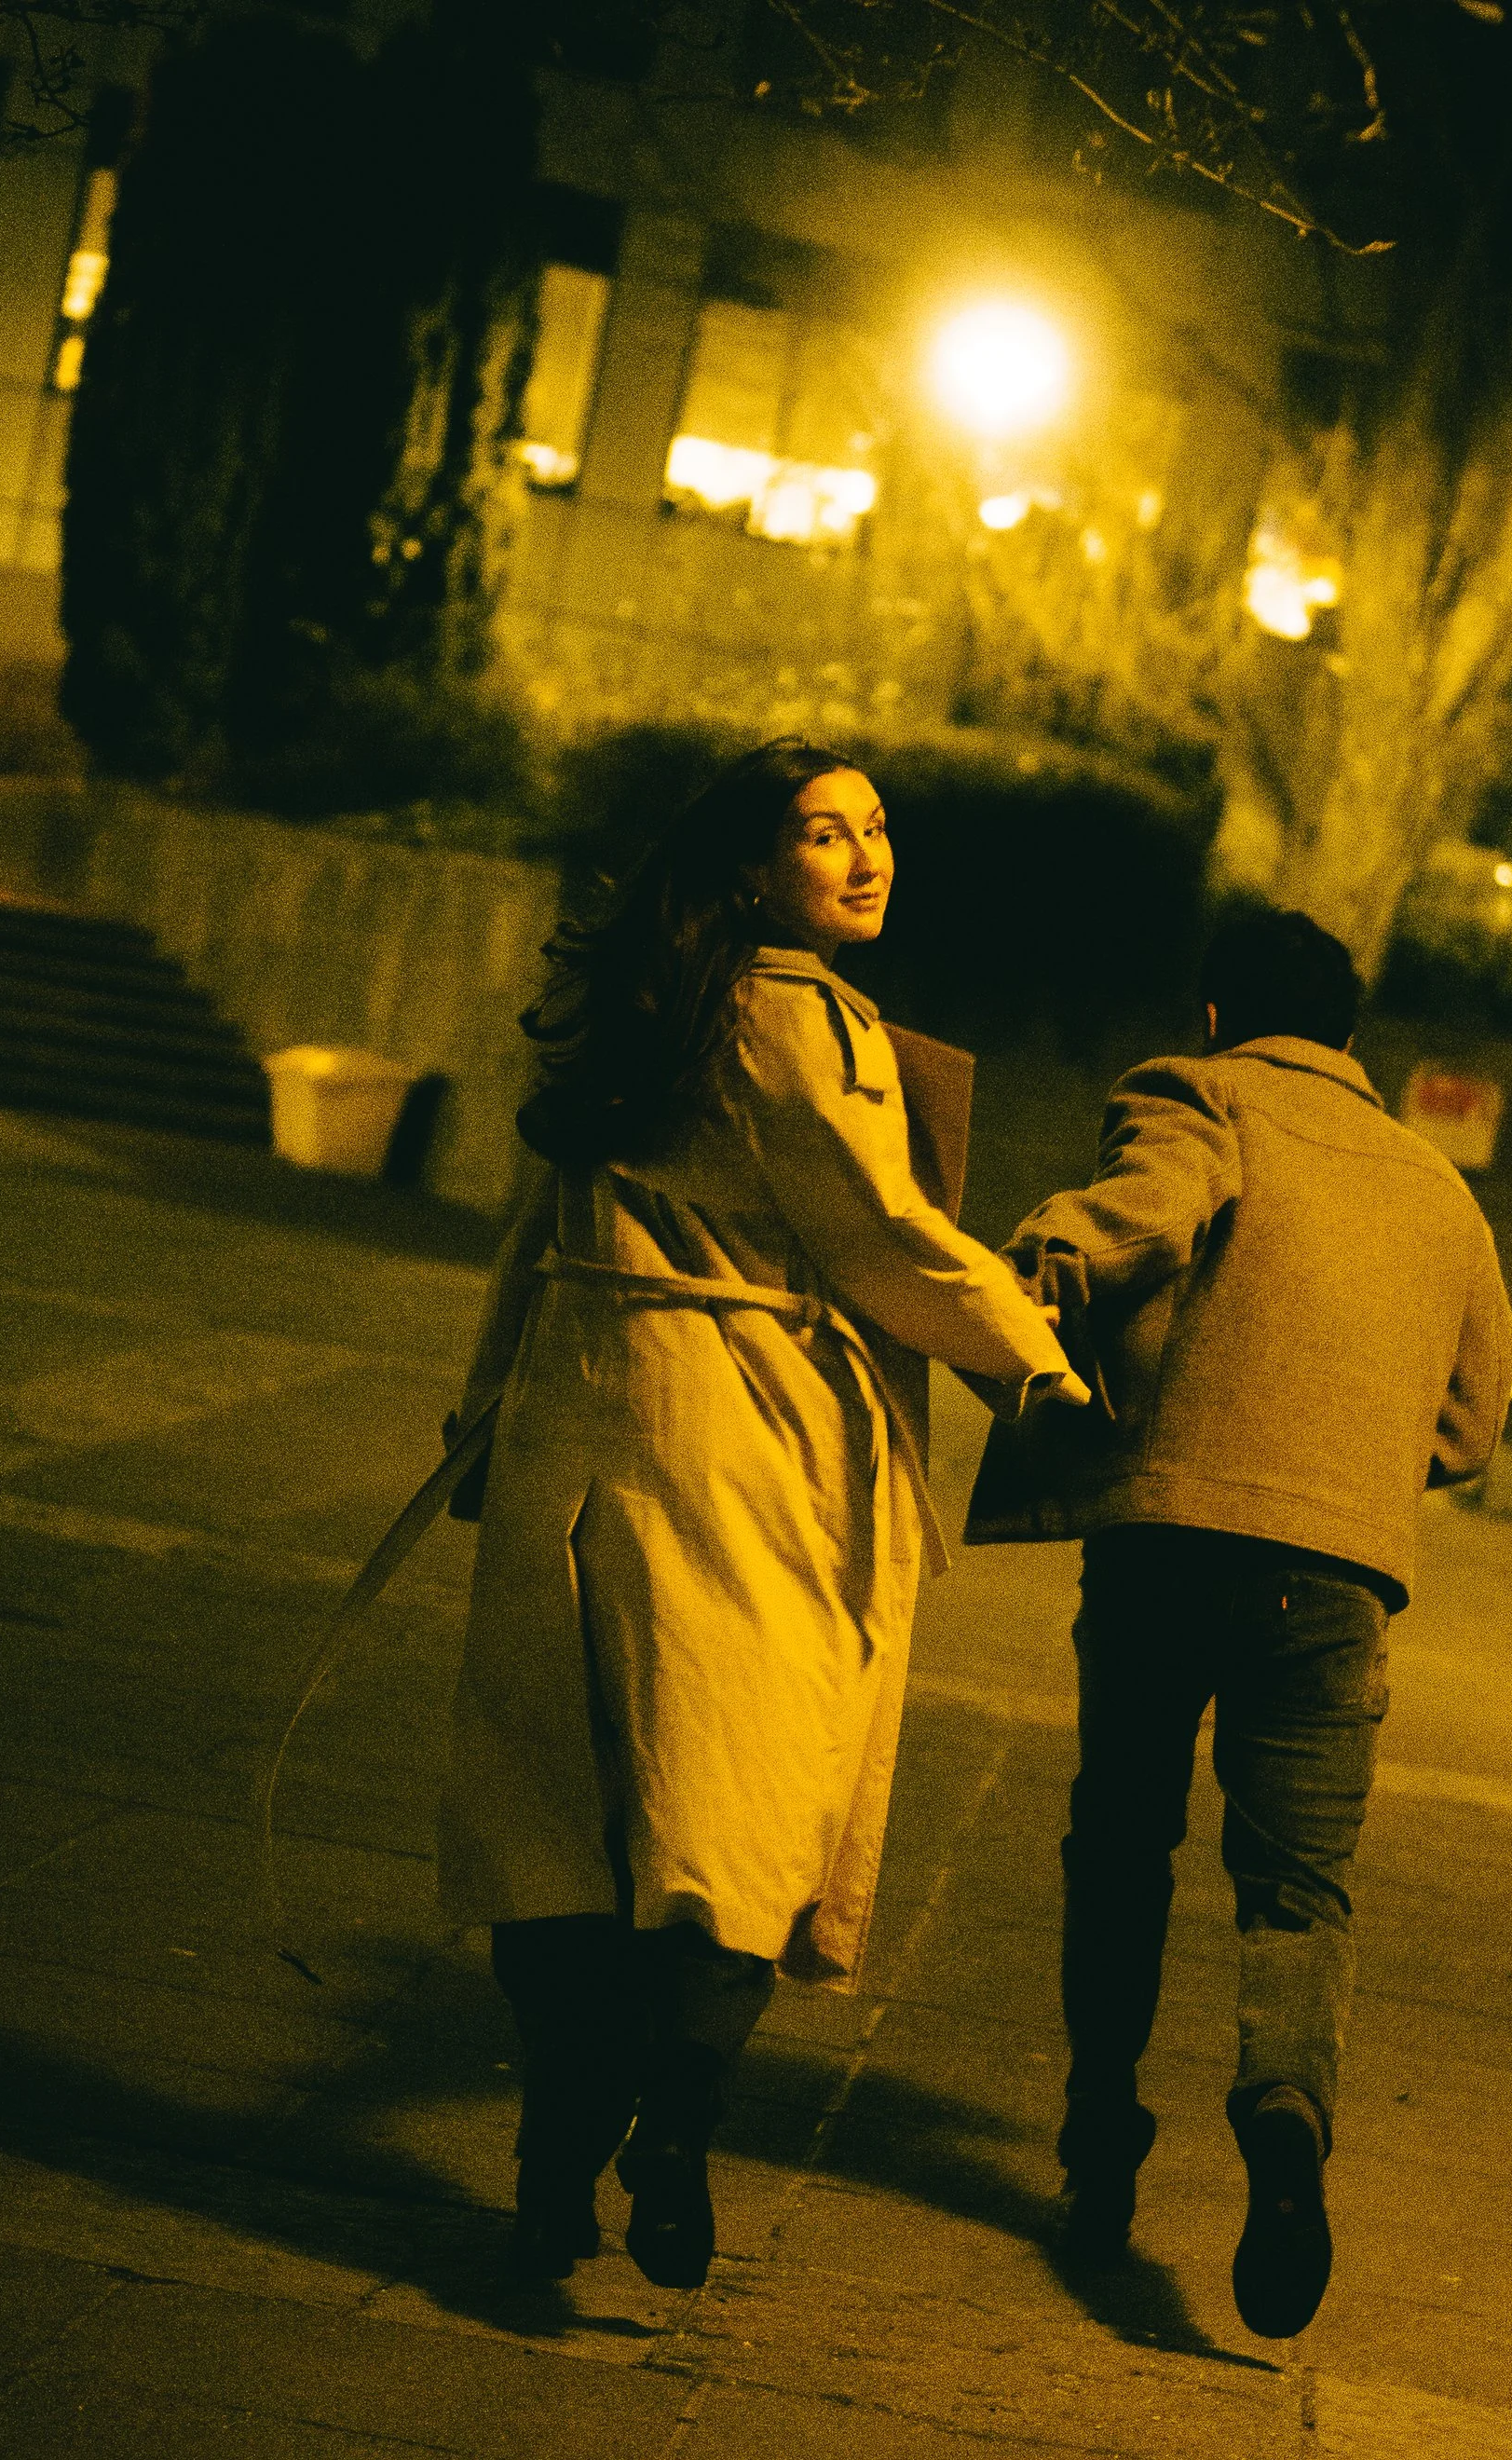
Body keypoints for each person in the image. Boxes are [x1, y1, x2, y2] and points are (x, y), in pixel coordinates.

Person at [440, 741, 1083, 2290]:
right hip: (736, 1429)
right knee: (736, 1794)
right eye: (824, 834)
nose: (866, 858)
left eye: (875, 829)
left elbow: (539, 1224)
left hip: (577, 1423)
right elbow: (884, 1237)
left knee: (558, 1802)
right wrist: (1035, 1366)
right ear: (753, 865)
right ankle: (673, 2127)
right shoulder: (790, 1023)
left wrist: (483, 1409)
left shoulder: (638, 999)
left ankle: (549, 2172)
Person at [965, 905, 1512, 2338]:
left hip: (1167, 1547)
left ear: (1217, 1018)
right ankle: (1284, 2129)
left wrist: (1004, 1295)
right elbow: (1470, 1427)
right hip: (1332, 1579)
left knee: (1125, 1841)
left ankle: (1102, 2140)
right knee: (1298, 1888)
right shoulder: (1436, 1190)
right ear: (1349, 1038)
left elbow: (1129, 1223)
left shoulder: (1200, 1097)